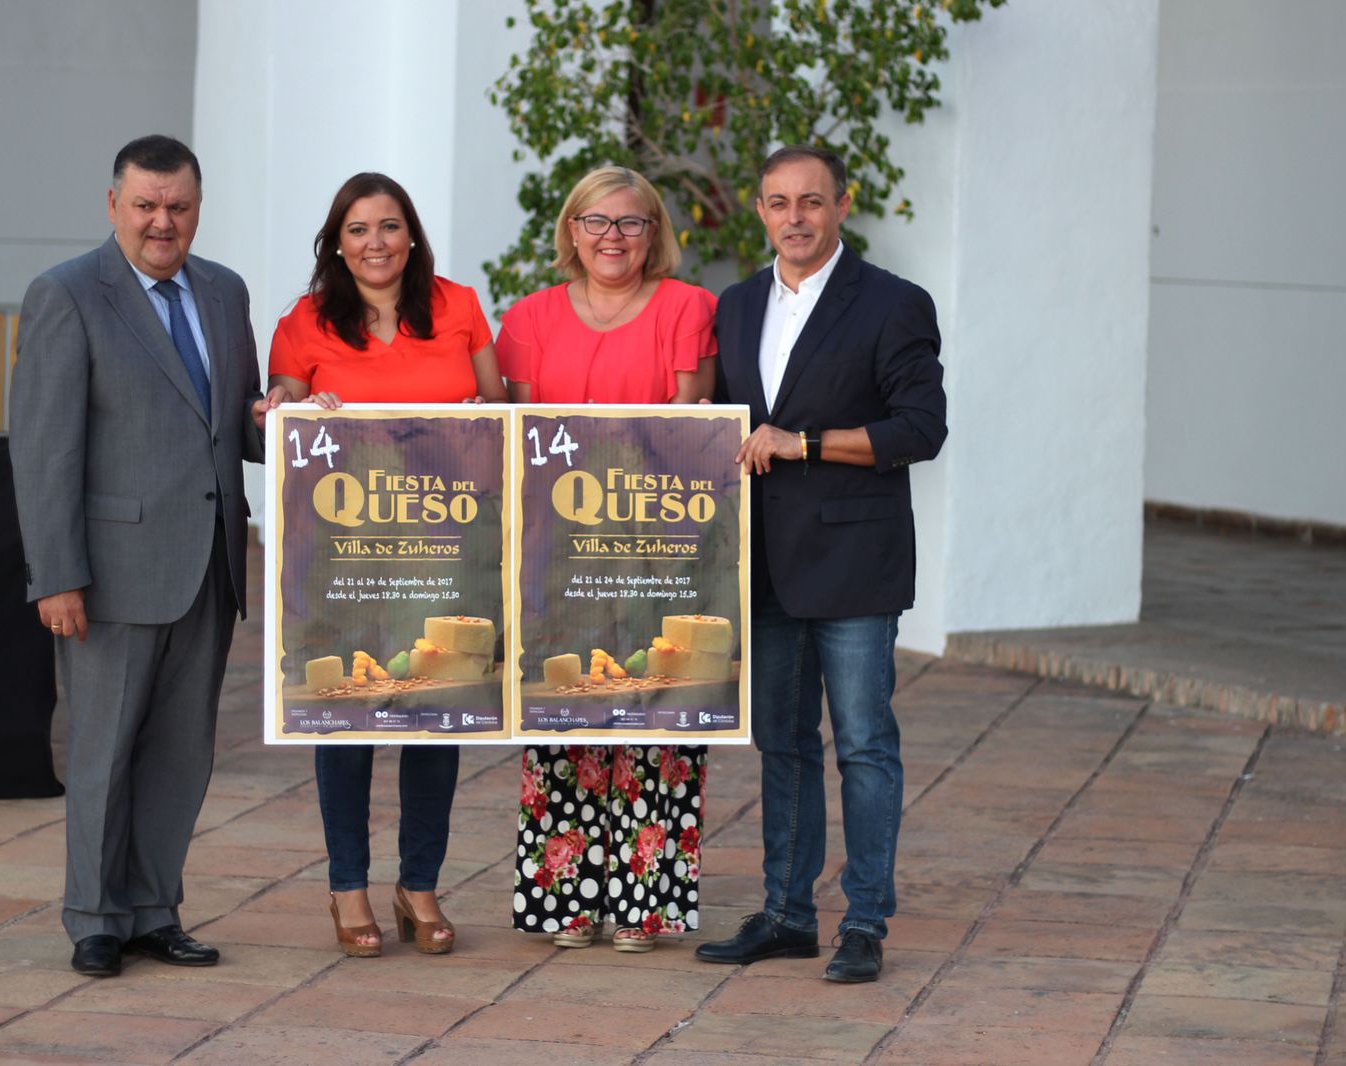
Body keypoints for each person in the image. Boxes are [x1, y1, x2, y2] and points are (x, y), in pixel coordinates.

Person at [9, 135, 271, 978]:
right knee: (102, 752)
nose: (164, 221)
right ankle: (93, 918)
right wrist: (56, 575)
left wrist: (289, 415)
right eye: (147, 205)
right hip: (111, 576)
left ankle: (155, 909)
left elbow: (235, 424)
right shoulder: (66, 296)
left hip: (209, 566)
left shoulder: (225, 293)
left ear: (198, 207)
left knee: (180, 753)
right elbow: (44, 450)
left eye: (180, 206)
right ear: (114, 205)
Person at [694, 146, 947, 982]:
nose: (794, 217)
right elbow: (719, 418)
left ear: (842, 203)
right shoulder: (733, 305)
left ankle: (866, 921)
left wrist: (802, 445)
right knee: (783, 743)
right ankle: (786, 915)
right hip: (761, 561)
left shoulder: (893, 304)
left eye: (811, 201)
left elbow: (920, 430)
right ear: (758, 211)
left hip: (854, 562)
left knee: (865, 746)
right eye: (777, 202)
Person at [267, 172, 507, 957]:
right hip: (346, 560)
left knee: (434, 719)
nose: (376, 242)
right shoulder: (303, 323)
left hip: (445, 550)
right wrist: (294, 411)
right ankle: (348, 890)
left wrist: (482, 421)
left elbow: (497, 419)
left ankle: (419, 885)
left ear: (412, 236)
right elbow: (278, 425)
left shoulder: (461, 307)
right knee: (347, 720)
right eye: (360, 228)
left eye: (390, 226)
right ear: (337, 240)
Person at [497, 165, 716, 952]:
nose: (612, 238)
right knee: (563, 718)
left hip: (658, 552)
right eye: (596, 222)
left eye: (630, 223)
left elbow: (693, 428)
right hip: (556, 558)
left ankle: (643, 906)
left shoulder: (692, 309)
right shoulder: (525, 319)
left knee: (658, 719)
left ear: (654, 232)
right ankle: (569, 900)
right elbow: (510, 443)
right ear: (570, 231)